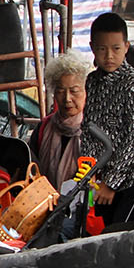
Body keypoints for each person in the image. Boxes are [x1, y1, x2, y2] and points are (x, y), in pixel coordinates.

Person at [78, 13, 134, 225]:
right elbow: (88, 129)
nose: (109, 56)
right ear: (92, 48)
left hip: (130, 180)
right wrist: (88, 172)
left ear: (126, 47)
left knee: (117, 237)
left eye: (116, 49)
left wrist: (111, 183)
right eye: (102, 49)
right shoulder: (92, 82)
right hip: (98, 180)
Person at [31, 51, 90, 188]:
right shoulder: (44, 128)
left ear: (86, 91)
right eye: (60, 91)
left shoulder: (95, 130)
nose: (67, 98)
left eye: (74, 91)